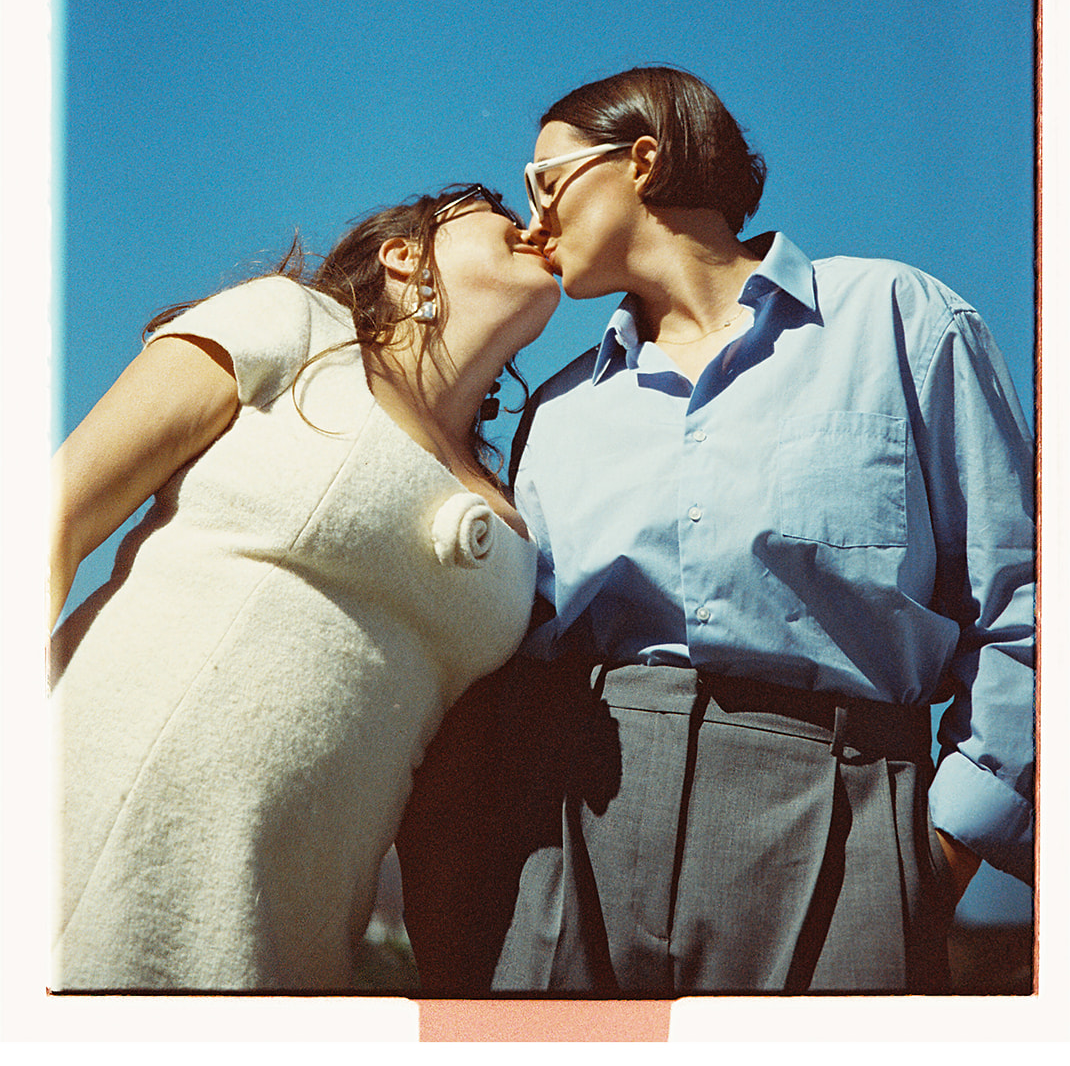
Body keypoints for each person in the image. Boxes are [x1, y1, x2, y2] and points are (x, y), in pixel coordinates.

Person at [397, 66, 1034, 998]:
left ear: (643, 160)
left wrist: (940, 851)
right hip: (570, 838)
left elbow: (1023, 604)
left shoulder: (899, 319)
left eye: (544, 181)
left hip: (840, 822)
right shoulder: (561, 411)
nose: (533, 225)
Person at [49, 183, 559, 993]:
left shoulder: (520, 516)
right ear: (405, 254)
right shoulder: (292, 326)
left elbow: (449, 811)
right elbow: (53, 523)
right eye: (499, 212)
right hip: (89, 814)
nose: (534, 224)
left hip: (295, 921)